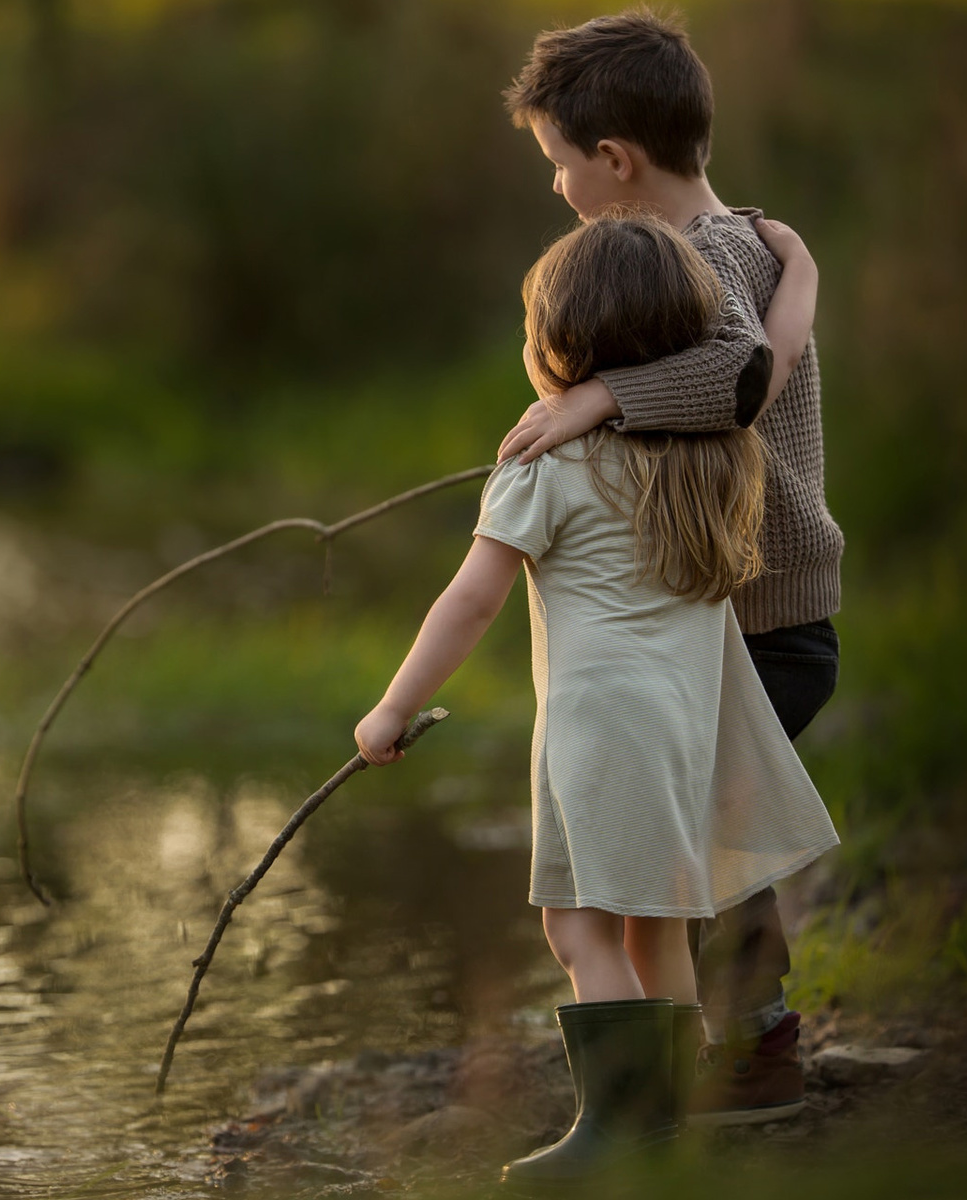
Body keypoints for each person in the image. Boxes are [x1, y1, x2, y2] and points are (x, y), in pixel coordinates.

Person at [353, 211, 838, 1186]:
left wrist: (390, 708)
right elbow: (776, 355)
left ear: (557, 346)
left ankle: (623, 1125)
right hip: (686, 732)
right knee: (653, 927)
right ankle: (674, 1120)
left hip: (602, 729)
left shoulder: (547, 464)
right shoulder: (719, 461)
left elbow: (472, 599)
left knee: (575, 927)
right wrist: (799, 267)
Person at [495, 8, 845, 1128]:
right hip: (755, 613)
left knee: (694, 850)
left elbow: (744, 376)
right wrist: (807, 275)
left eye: (559, 165)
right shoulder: (745, 240)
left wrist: (599, 395)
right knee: (703, 840)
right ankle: (736, 1046)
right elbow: (762, 354)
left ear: (615, 160)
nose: (557, 190)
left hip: (752, 620)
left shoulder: (694, 261)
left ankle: (744, 1051)